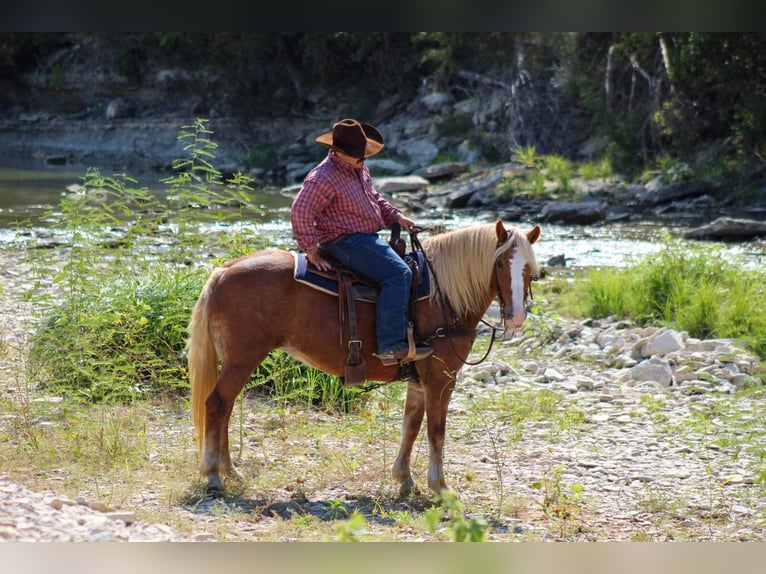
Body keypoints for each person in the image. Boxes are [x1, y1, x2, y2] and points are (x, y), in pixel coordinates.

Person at [290, 118, 433, 365]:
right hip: (345, 241)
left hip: (365, 238)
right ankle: (391, 345)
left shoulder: (358, 168)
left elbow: (374, 199)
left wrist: (396, 217)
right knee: (399, 274)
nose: (363, 159)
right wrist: (311, 250)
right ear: (338, 152)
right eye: (358, 155)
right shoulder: (323, 177)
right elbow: (300, 210)